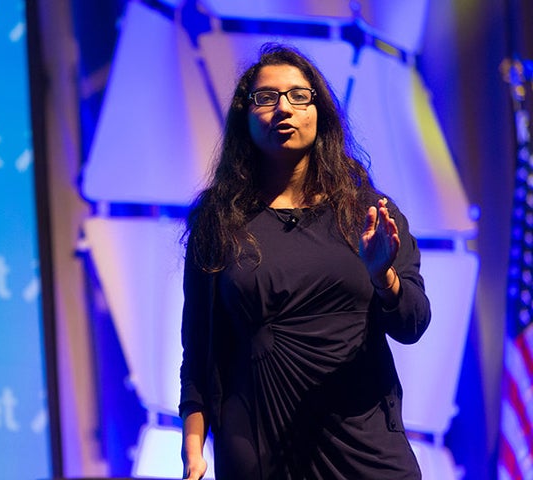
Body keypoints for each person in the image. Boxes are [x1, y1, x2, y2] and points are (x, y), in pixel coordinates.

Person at [178, 43, 431, 480]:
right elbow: (200, 353)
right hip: (259, 444)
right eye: (266, 97)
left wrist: (382, 275)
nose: (283, 109)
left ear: (320, 111)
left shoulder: (368, 214)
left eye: (298, 95)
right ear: (245, 115)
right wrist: (192, 451)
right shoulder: (217, 220)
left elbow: (412, 324)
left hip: (363, 442)